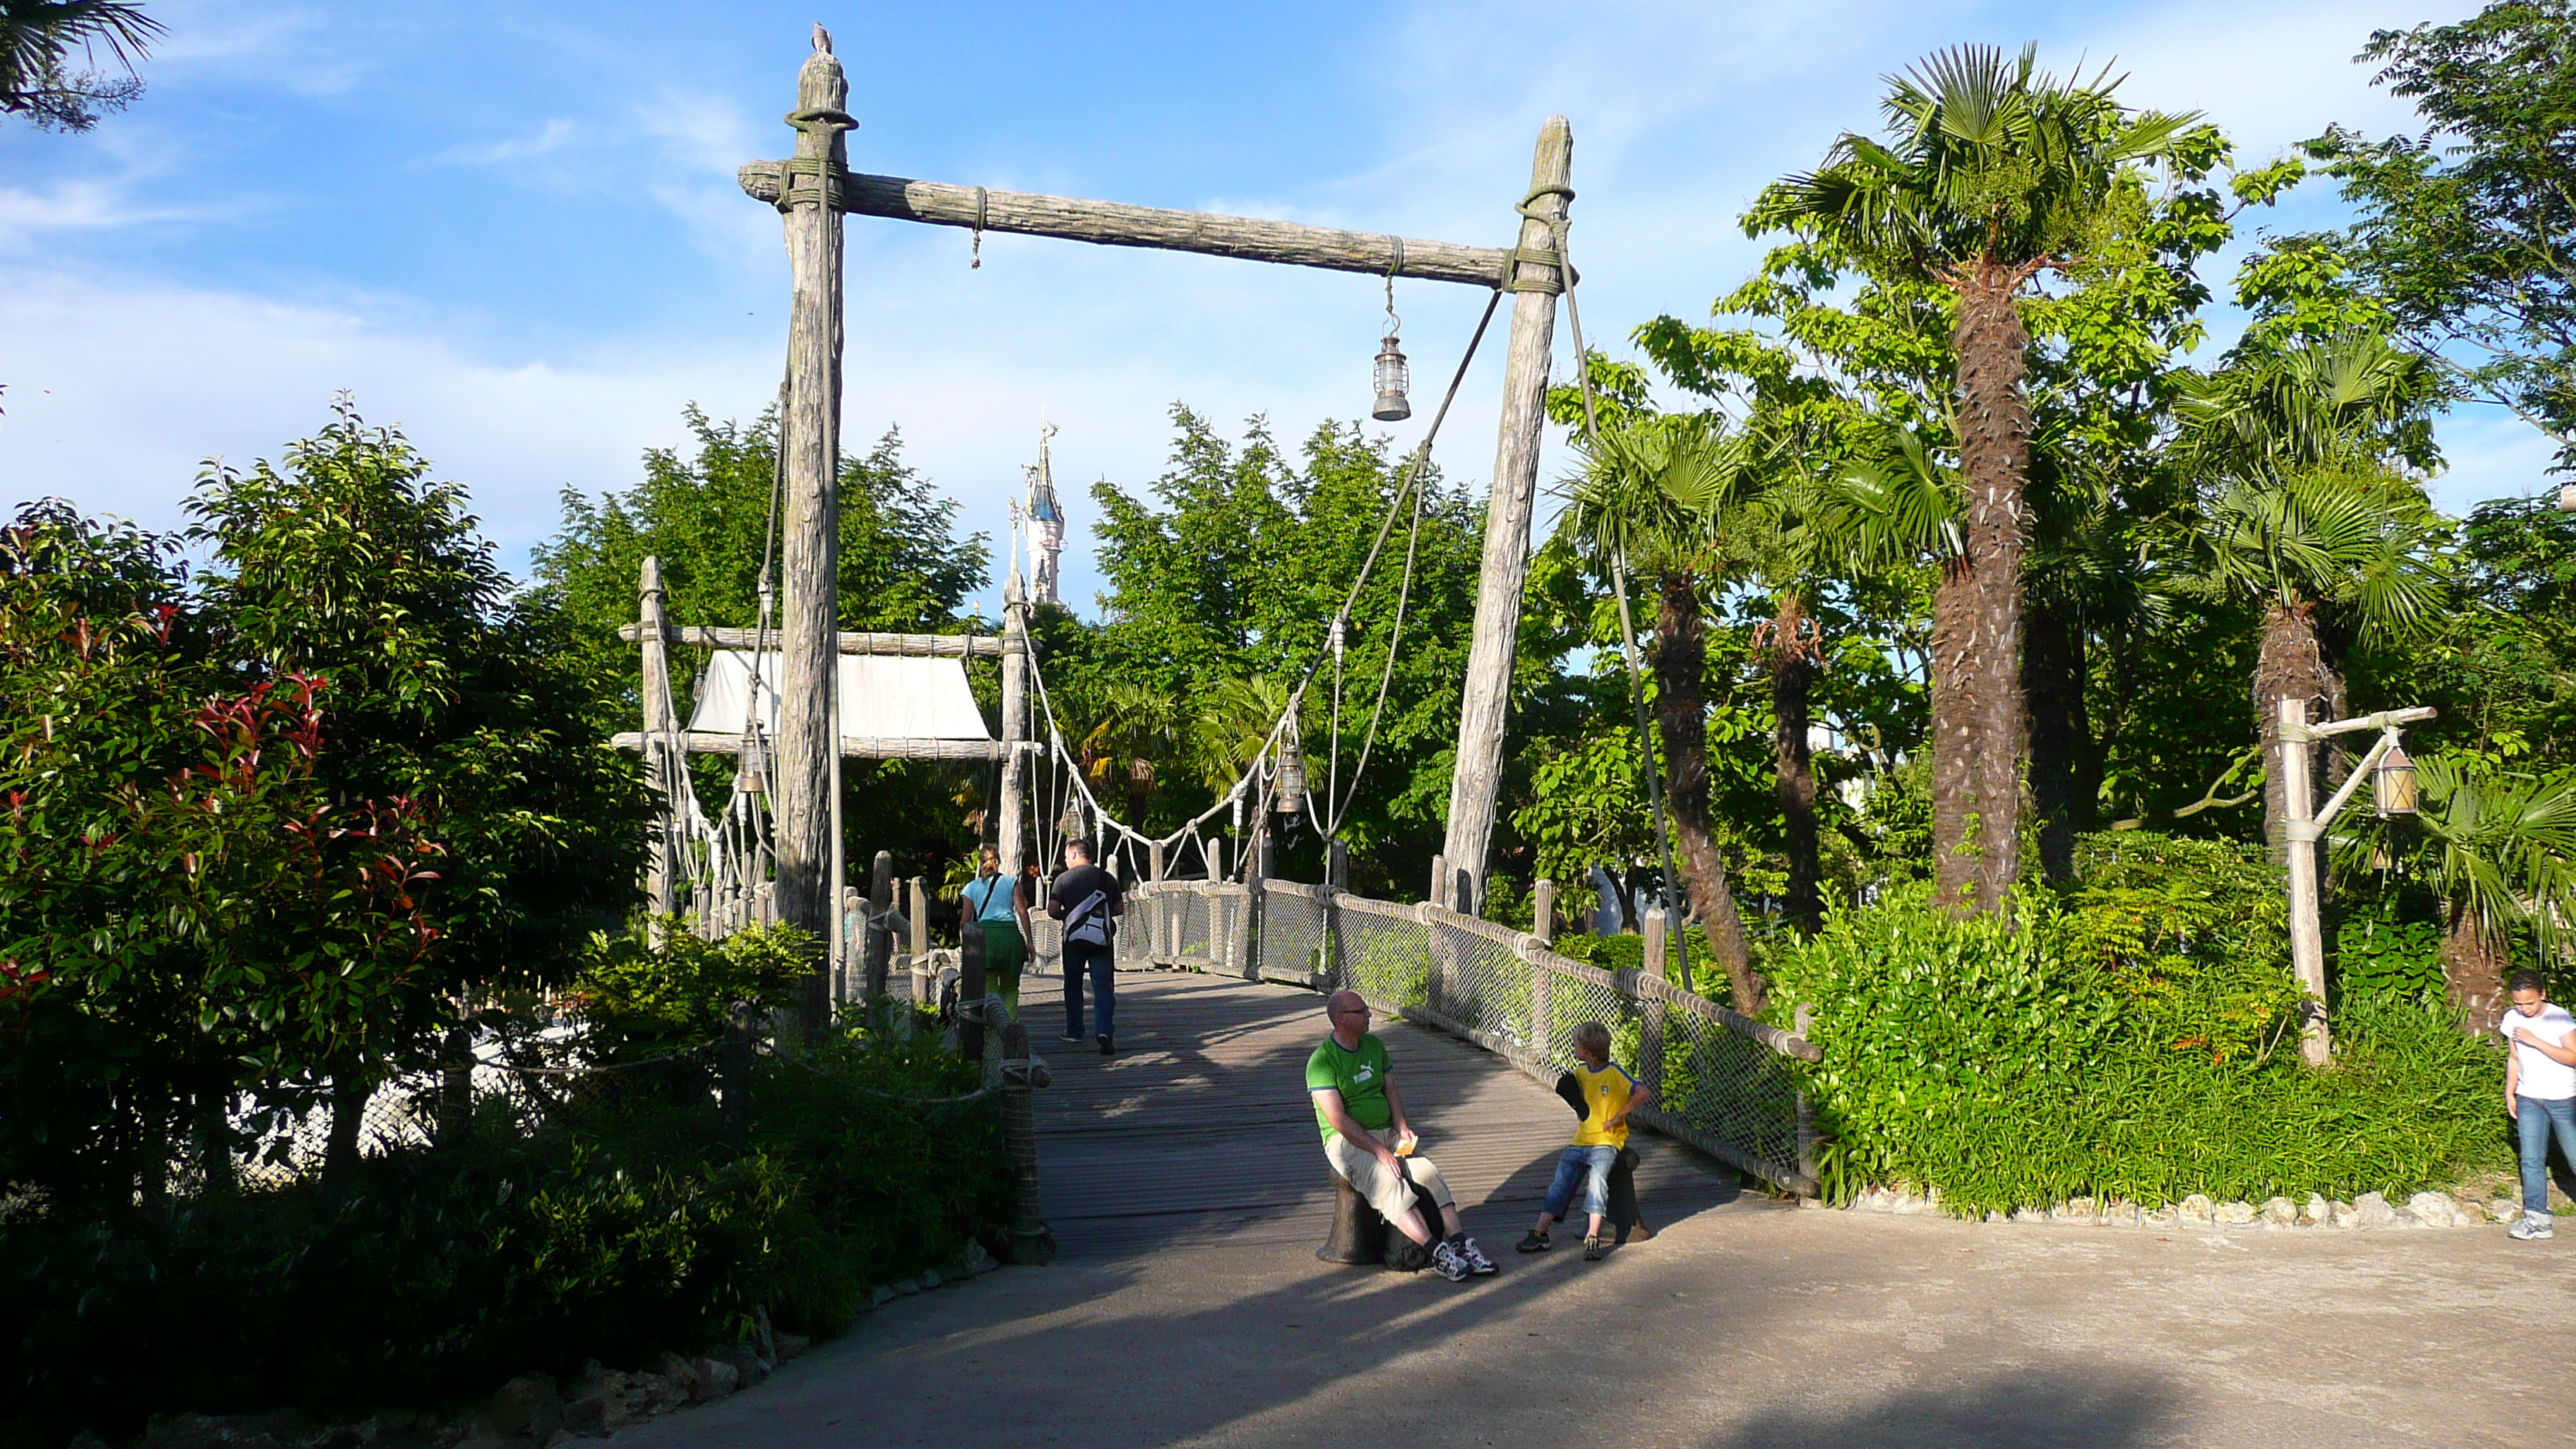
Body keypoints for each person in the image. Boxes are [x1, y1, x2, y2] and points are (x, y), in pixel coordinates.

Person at [1306, 988, 1497, 1283]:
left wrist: (1402, 1127)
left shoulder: (1374, 1046)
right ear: (1342, 1019)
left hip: (1387, 1131)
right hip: (1347, 1141)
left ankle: (1461, 1244)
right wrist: (1379, 1151)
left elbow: (1391, 1091)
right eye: (1362, 1011)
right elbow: (1338, 1119)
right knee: (1389, 1182)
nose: (1369, 1014)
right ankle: (1438, 1252)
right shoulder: (1321, 1062)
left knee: (1428, 1174)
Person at [1517, 1020, 1654, 1261]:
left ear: (1588, 1051)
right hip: (1582, 1140)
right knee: (1561, 1183)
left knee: (1597, 1182)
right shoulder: (1580, 1073)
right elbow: (1569, 1090)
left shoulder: (1614, 1073)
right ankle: (1541, 1233)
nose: (1574, 1048)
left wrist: (1619, 1116)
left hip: (1606, 1141)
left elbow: (1642, 1092)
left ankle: (1593, 1235)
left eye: (1577, 1046)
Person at [2502, 968, 2576, 1242]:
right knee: (2531, 1160)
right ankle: (2537, 1218)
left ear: (2542, 994)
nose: (2524, 1009)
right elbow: (2514, 1057)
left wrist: (2537, 1041)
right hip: (2529, 1097)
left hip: (2562, 1099)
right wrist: (2511, 1091)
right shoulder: (2512, 1018)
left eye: (2530, 1003)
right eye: (2518, 1003)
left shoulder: (2559, 1018)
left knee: (2574, 1157)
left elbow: (2573, 1057)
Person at [1047, 838, 1124, 1054]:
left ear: (1073, 855)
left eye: (1065, 857)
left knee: (1073, 984)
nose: (1065, 861)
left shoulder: (1063, 880)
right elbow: (1119, 908)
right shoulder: (1107, 878)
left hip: (1073, 941)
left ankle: (1075, 1031)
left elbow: (1052, 910)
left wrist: (1070, 917)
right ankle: (1104, 1031)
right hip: (1101, 939)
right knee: (1103, 985)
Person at [959, 847, 1030, 1020]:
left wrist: (966, 946)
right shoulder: (1011, 882)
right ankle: (1010, 1027)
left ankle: (992, 1032)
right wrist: (1029, 941)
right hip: (1011, 938)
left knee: (989, 991)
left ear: (981, 863)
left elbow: (965, 921)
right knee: (1011, 988)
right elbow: (1022, 912)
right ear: (999, 861)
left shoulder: (971, 888)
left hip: (986, 940)